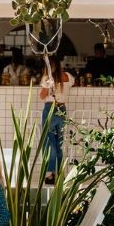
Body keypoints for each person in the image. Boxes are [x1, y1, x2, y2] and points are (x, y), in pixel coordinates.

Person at [39, 55, 74, 184]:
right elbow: (71, 85)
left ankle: (50, 175)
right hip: (62, 110)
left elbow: (42, 96)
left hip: (50, 109)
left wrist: (47, 84)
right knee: (59, 142)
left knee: (49, 142)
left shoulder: (48, 79)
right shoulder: (68, 76)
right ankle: (59, 174)